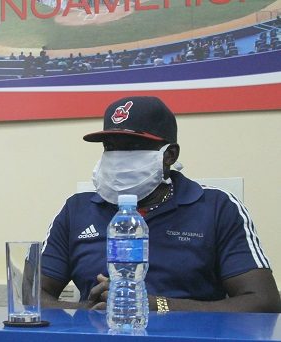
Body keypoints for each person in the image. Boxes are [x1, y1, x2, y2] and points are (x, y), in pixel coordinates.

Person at [41, 96, 281, 312]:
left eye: (133, 147)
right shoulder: (77, 210)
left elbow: (264, 301)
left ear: (170, 155)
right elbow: (33, 295)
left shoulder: (218, 207)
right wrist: (86, 311)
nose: (117, 158)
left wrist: (158, 304)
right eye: (110, 148)